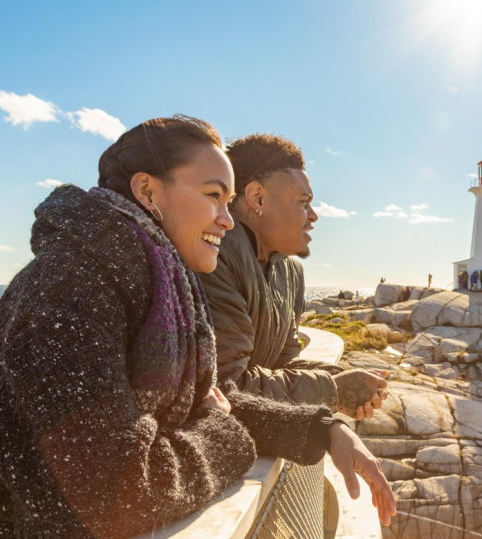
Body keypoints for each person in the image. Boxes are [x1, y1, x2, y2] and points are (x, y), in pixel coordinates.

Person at [0, 117, 395, 536]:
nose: (227, 220)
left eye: (229, 202)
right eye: (213, 196)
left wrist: (323, 430)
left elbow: (199, 402)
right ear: (148, 192)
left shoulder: (153, 279)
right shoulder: (69, 289)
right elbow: (118, 489)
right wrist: (220, 435)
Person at [200, 134, 387, 420]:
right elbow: (224, 386)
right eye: (303, 202)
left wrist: (341, 376)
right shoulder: (213, 256)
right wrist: (332, 390)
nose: (313, 216)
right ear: (257, 198)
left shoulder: (290, 270)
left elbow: (281, 364)